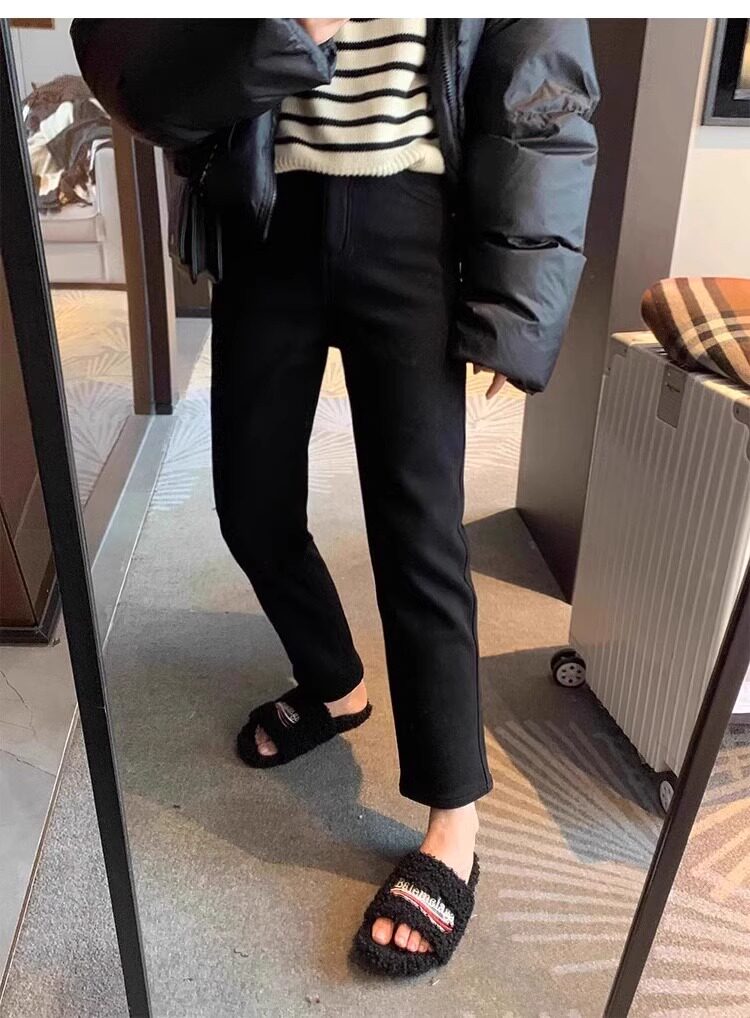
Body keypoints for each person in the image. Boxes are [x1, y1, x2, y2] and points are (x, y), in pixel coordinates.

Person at [71, 17, 598, 975]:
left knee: (418, 535)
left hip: (414, 218)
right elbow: (151, 72)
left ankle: (454, 821)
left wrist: (519, 301)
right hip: (267, 209)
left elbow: (544, 97)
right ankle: (336, 684)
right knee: (249, 503)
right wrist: (284, 30)